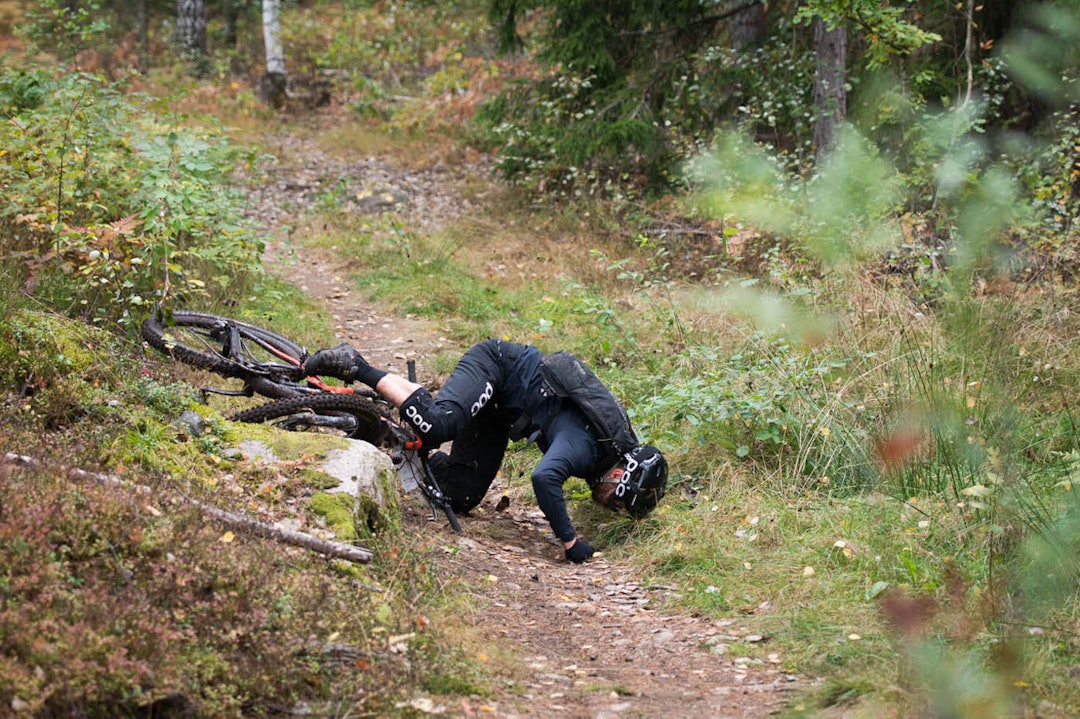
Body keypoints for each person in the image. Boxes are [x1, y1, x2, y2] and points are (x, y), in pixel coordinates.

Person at [302, 339, 667, 563]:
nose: (610, 505)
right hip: (496, 367)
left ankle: (398, 440)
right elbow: (544, 478)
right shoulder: (589, 450)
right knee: (437, 424)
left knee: (460, 495)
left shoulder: (605, 449)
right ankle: (356, 364)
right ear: (619, 477)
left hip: (500, 414)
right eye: (619, 501)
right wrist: (570, 541)